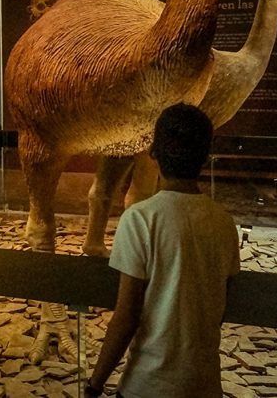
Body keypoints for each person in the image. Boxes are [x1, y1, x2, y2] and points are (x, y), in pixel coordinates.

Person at [85, 104, 240, 398]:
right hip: (204, 385)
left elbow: (127, 315)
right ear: (206, 155)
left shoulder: (140, 219)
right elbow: (219, 304)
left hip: (148, 386)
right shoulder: (224, 222)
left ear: (153, 152)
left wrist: (95, 383)